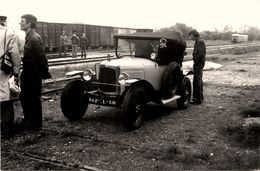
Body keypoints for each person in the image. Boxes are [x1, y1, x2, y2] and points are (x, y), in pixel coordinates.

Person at [19, 14, 51, 130]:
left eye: (22, 21)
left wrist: (44, 72)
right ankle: (29, 120)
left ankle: (36, 125)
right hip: (28, 73)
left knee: (33, 99)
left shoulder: (34, 38)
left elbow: (42, 57)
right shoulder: (29, 37)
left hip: (33, 74)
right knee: (25, 97)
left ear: (29, 24)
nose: (20, 23)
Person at [0, 15, 21, 138]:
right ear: (3, 22)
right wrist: (16, 72)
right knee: (6, 101)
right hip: (3, 71)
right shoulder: (9, 33)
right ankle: (7, 132)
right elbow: (14, 53)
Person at [188, 29, 206, 104]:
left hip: (198, 63)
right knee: (198, 80)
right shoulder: (198, 41)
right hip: (198, 63)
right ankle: (200, 98)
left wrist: (196, 62)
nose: (190, 38)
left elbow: (200, 54)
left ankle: (197, 99)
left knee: (197, 81)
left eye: (190, 36)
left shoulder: (200, 42)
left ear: (194, 35)